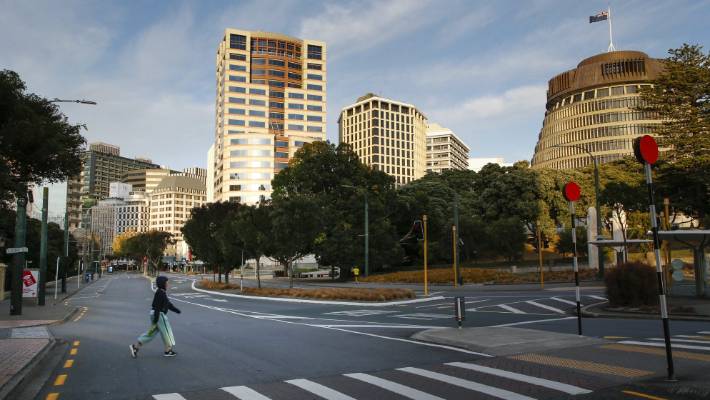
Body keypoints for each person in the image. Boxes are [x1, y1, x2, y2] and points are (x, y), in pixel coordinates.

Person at [129, 276, 181, 357]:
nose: (168, 284)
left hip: (155, 314)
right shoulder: (160, 293)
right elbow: (157, 306)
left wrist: (176, 310)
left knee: (151, 333)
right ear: (163, 283)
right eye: (167, 282)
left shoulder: (161, 292)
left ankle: (135, 347)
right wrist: (156, 318)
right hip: (159, 314)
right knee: (167, 331)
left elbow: (168, 304)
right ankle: (168, 350)